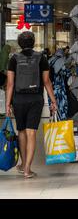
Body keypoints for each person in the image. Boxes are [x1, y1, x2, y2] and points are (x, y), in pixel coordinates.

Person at [5, 31, 57, 179]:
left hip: (18, 99)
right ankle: (28, 168)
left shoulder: (13, 59)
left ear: (20, 43)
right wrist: (53, 101)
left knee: (21, 131)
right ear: (33, 42)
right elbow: (47, 82)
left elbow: (10, 84)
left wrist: (7, 104)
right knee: (32, 132)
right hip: (35, 99)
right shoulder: (42, 58)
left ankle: (22, 164)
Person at [48, 48, 72, 120]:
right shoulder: (61, 62)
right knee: (62, 109)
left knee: (53, 110)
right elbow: (67, 73)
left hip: (51, 90)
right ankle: (61, 126)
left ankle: (54, 126)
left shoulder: (50, 61)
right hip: (60, 90)